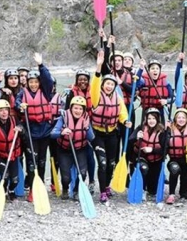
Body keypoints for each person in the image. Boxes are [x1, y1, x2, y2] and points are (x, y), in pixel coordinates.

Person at [90, 50, 132, 203]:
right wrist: (99, 67)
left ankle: (107, 186)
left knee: (111, 163)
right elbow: (94, 84)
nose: (109, 86)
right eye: (107, 83)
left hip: (112, 134)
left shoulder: (117, 97)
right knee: (102, 163)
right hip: (98, 134)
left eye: (112, 84)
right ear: (103, 85)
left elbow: (122, 113)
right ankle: (102, 191)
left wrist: (126, 120)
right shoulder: (96, 95)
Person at [15, 53, 54, 201]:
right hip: (30, 132)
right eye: (31, 82)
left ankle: (40, 186)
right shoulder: (22, 93)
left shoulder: (46, 91)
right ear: (27, 83)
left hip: (44, 131)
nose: (33, 84)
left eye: (36, 82)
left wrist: (41, 65)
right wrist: (20, 106)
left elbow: (48, 80)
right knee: (31, 162)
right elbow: (16, 104)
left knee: (42, 162)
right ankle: (32, 188)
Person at [51, 96, 91, 200]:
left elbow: (92, 137)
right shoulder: (63, 118)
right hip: (64, 150)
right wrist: (61, 132)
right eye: (75, 108)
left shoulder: (86, 118)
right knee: (66, 177)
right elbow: (53, 134)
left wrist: (87, 128)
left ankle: (76, 190)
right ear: (71, 108)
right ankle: (65, 189)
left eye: (80, 109)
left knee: (82, 173)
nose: (78, 111)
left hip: (80, 149)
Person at [64, 69, 96, 193]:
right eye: (80, 79)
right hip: (75, 125)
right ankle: (73, 181)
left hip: (89, 124)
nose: (83, 81)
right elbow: (67, 110)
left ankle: (92, 180)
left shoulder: (93, 92)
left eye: (85, 79)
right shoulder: (72, 93)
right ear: (77, 80)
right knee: (76, 153)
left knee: (90, 154)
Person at [0, 100, 24, 200]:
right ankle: (4, 190)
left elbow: (23, 131)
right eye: (1, 110)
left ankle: (10, 190)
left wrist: (21, 130)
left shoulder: (14, 120)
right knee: (5, 176)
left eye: (6, 110)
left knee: (15, 180)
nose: (4, 112)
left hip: (13, 155)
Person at [128, 108, 168, 198]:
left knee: (153, 191)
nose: (151, 121)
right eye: (149, 118)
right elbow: (130, 141)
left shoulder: (162, 132)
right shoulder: (140, 128)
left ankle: (150, 188)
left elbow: (165, 150)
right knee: (144, 168)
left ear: (157, 120)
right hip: (142, 158)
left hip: (156, 160)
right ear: (146, 119)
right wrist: (136, 137)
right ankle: (142, 189)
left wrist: (152, 150)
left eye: (154, 119)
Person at [166, 108, 187, 203]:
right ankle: (171, 194)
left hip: (186, 158)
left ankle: (184, 194)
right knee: (174, 169)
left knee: (186, 175)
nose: (181, 119)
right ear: (175, 119)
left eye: (183, 118)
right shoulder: (169, 129)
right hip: (174, 159)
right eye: (179, 118)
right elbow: (164, 143)